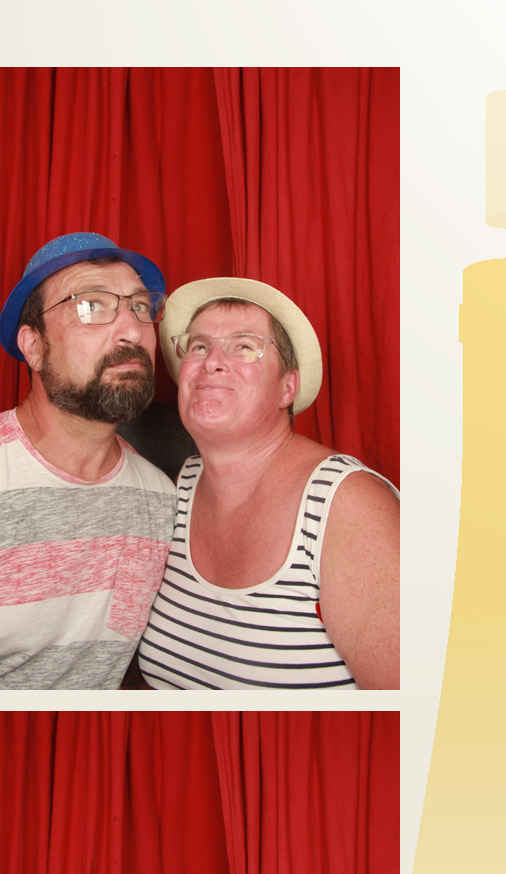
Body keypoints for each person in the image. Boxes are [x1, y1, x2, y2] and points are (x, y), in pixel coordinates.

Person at [135, 277, 400, 690]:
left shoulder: (349, 505)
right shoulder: (181, 484)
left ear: (287, 388)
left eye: (244, 346)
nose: (212, 361)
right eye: (199, 346)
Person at [0, 231, 177, 689]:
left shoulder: (161, 500)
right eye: (91, 305)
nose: (133, 330)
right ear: (34, 347)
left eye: (140, 307)